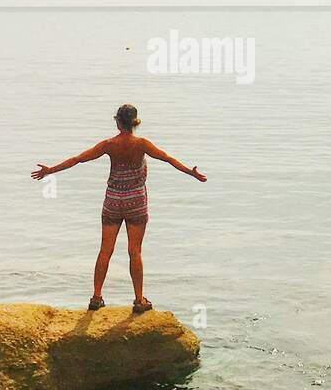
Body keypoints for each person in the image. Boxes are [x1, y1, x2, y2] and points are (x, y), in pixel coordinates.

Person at [31, 104, 206, 313]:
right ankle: (139, 300)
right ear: (135, 122)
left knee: (105, 250)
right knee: (135, 251)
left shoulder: (109, 144)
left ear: (117, 121)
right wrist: (191, 172)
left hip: (113, 201)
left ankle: (96, 297)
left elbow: (78, 159)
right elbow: (168, 159)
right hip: (136, 201)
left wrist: (51, 170)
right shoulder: (142, 144)